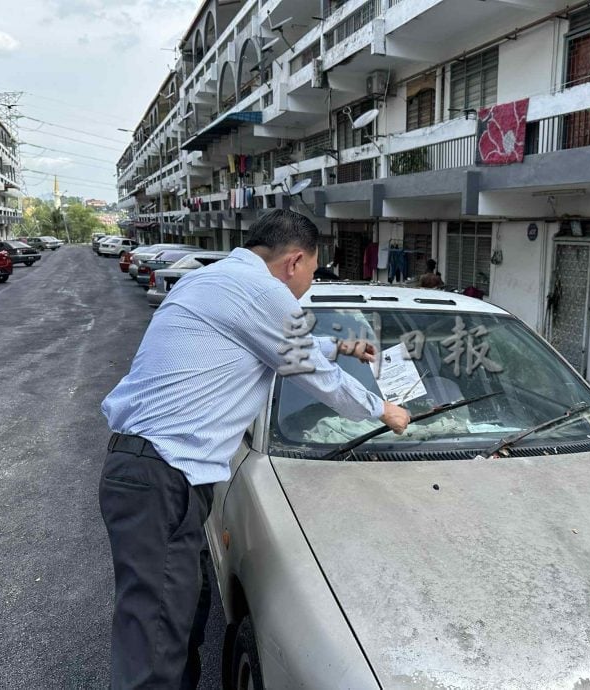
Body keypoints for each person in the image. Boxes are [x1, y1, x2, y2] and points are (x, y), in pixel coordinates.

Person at [98, 209, 410, 689]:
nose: (306, 286)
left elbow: (276, 344)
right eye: (310, 273)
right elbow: (312, 374)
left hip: (146, 472)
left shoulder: (214, 280)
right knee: (154, 648)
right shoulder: (265, 292)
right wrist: (382, 409)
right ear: (295, 261)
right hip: (161, 478)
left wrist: (339, 347)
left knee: (176, 620)